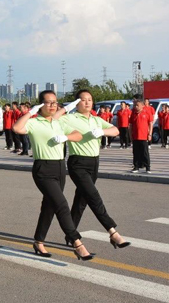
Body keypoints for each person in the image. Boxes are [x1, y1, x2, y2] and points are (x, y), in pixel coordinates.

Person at [13, 90, 92, 261]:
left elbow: (78, 135)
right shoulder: (34, 123)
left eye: (55, 102)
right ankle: (77, 243)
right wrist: (31, 112)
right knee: (62, 204)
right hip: (43, 169)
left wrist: (65, 137)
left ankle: (38, 241)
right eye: (48, 102)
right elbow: (17, 128)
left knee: (50, 206)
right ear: (41, 105)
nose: (52, 105)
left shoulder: (58, 122)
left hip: (60, 168)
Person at [54, 90, 130, 249]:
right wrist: (67, 108)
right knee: (93, 196)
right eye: (83, 100)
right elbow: (54, 119)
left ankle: (70, 235)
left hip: (94, 163)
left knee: (82, 200)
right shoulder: (70, 118)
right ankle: (112, 231)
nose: (87, 102)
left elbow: (115, 130)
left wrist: (102, 131)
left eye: (90, 99)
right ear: (77, 103)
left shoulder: (96, 119)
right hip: (78, 163)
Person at [129, 99, 152, 174]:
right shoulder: (133, 113)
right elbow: (130, 125)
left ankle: (147, 167)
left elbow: (150, 124)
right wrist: (130, 135)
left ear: (142, 105)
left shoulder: (147, 113)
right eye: (135, 105)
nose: (136, 107)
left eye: (137, 105)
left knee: (145, 152)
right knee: (135, 152)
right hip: (135, 136)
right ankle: (136, 166)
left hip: (144, 136)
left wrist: (150, 134)